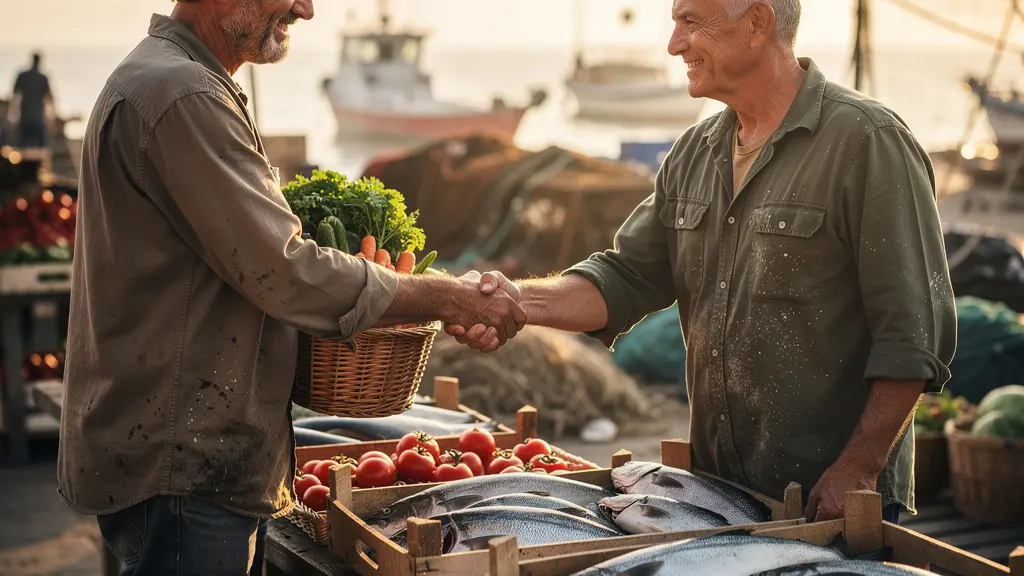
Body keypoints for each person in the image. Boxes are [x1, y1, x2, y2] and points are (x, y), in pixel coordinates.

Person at [449, 0, 957, 527]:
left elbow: (915, 334)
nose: (674, 44)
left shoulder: (868, 142)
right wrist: (514, 299)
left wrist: (859, 468)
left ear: (757, 22)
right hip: (717, 496)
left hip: (832, 502)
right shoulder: (694, 153)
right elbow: (625, 277)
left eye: (690, 22)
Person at [57, 1, 522, 574]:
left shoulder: (170, 77)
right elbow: (285, 270)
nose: (304, 7)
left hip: (179, 458)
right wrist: (447, 294)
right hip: (183, 467)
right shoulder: (183, 93)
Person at [9, 52, 55, 148]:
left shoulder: (23, 76)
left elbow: (15, 96)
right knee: (41, 146)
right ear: (39, 62)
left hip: (25, 116)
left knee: (22, 145)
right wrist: (52, 118)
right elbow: (50, 99)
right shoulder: (42, 78)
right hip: (38, 118)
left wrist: (12, 115)